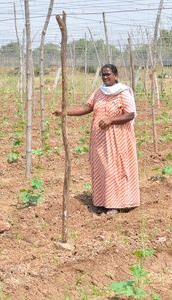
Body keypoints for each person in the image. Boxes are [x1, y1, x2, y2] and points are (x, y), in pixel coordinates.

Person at [53, 64, 140, 213]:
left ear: (116, 75)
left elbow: (130, 114)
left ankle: (116, 204)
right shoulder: (99, 92)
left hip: (118, 140)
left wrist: (111, 120)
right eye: (103, 75)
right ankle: (101, 201)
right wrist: (65, 112)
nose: (105, 77)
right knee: (101, 169)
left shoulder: (123, 92)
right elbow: (87, 108)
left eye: (108, 74)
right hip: (100, 140)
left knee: (115, 170)